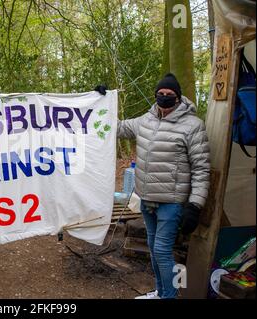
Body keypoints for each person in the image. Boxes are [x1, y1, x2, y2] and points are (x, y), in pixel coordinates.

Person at [95, 73, 210, 299]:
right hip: (147, 199)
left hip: (172, 202)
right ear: (156, 95)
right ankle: (160, 292)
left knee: (161, 250)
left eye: (170, 94)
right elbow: (115, 128)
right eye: (161, 94)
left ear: (178, 98)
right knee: (153, 247)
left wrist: (195, 205)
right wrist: (101, 101)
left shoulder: (193, 126)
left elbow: (201, 168)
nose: (165, 97)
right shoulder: (145, 121)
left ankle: (169, 296)